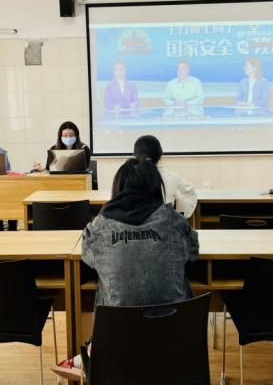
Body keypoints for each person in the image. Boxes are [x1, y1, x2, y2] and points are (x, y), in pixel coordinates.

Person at [52, 158, 200, 380]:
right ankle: (91, 351)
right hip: (174, 340)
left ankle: (90, 351)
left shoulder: (99, 226)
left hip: (116, 341)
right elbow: (192, 253)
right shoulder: (173, 221)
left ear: (117, 188)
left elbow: (88, 258)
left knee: (105, 287)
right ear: (155, 187)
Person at [133, 135, 197, 219]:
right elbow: (189, 197)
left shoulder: (127, 177)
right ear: (160, 155)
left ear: (135, 156)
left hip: (132, 226)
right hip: (164, 225)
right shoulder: (172, 178)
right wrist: (179, 215)